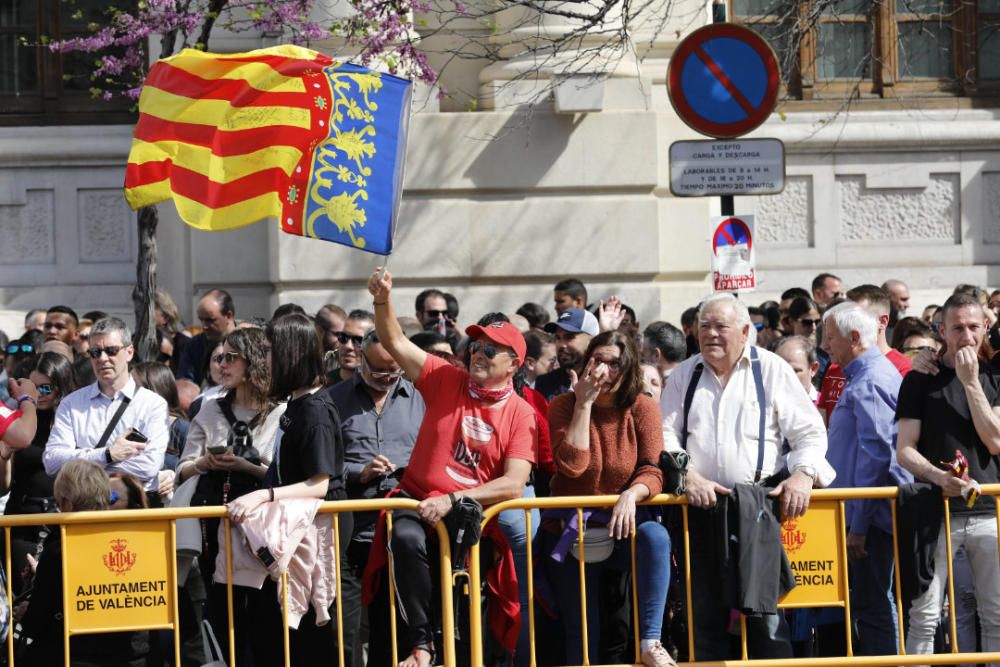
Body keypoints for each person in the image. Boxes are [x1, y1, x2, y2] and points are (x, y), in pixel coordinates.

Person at [365, 268, 536, 667]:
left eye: (491, 349)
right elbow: (393, 340)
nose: (478, 353)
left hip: (468, 519)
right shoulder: (446, 378)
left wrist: (452, 499)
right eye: (475, 344)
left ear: (514, 363)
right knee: (405, 539)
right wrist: (381, 298)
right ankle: (421, 647)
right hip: (413, 502)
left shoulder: (520, 413)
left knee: (464, 609)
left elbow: (513, 484)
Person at [661, 294, 833, 660]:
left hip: (757, 510)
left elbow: (810, 433)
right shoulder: (684, 374)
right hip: (700, 511)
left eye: (720, 326)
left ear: (744, 331)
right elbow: (665, 435)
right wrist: (688, 475)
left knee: (765, 620)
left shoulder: (770, 369)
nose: (711, 334)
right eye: (704, 326)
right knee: (704, 618)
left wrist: (803, 474)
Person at [543, 330, 673, 667]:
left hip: (622, 524)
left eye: (614, 364)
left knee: (655, 537)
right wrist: (583, 403)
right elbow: (572, 467)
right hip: (571, 527)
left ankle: (651, 641)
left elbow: (652, 468)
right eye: (597, 361)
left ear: (628, 368)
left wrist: (633, 493)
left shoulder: (642, 406)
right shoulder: (562, 405)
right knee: (582, 633)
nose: (603, 370)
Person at [226, 313, 345, 665]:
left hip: (310, 535)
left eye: (269, 351)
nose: (264, 360)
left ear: (291, 353)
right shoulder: (297, 404)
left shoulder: (316, 412)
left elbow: (320, 484)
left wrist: (263, 494)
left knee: (304, 636)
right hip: (289, 532)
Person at [896, 292, 1000, 661]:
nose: (967, 336)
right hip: (934, 512)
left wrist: (971, 382)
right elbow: (905, 449)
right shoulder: (920, 378)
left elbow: (996, 440)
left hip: (989, 510)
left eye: (974, 327)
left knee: (995, 616)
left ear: (986, 327)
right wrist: (937, 477)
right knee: (924, 616)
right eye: (957, 328)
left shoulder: (995, 375)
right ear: (941, 330)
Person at [177, 327, 286, 665]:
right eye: (219, 358)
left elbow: (287, 478)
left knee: (267, 619)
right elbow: (182, 470)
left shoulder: (283, 410)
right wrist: (204, 463)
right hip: (217, 530)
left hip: (265, 532)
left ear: (253, 362)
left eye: (230, 358)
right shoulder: (209, 409)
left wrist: (247, 466)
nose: (221, 365)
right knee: (225, 616)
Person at [327, 329, 425, 667]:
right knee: (346, 632)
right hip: (354, 532)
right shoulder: (334, 399)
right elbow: (321, 469)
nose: (385, 378)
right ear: (360, 359)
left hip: (402, 531)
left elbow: (433, 460)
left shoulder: (420, 398)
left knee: (394, 630)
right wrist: (360, 473)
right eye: (377, 370)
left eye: (393, 370)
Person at [821, 302, 911, 656]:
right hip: (866, 516)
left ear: (854, 337)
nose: (826, 346)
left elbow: (877, 458)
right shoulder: (867, 375)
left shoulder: (871, 381)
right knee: (871, 605)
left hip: (869, 521)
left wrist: (858, 525)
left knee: (874, 606)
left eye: (830, 338)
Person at [19, 459, 151, 666]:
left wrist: (26, 611)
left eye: (57, 503)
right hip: (132, 656)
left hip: (73, 657)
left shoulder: (58, 549)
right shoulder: (137, 544)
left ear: (68, 504)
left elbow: (36, 624)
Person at [43, 317, 169, 492]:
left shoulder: (153, 404)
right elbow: (52, 461)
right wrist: (108, 454)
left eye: (111, 351)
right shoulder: (71, 404)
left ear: (129, 352)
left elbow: (149, 466)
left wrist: (81, 462)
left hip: (134, 509)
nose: (102, 358)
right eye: (95, 352)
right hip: (85, 506)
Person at [1, 353, 74, 594]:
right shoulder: (17, 421)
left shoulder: (72, 420)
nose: (39, 395)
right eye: (32, 388)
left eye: (46, 387)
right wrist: (4, 455)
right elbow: (4, 486)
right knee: (21, 595)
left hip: (64, 520)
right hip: (22, 520)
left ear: (61, 386)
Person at [131, 361, 188, 501]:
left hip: (171, 512)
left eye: (135, 387)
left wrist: (174, 480)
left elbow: (197, 472)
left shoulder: (181, 429)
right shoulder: (124, 426)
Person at [535, 308, 600, 400]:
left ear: (591, 341)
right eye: (558, 337)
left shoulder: (602, 382)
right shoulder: (543, 382)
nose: (561, 344)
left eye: (569, 337)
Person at [176, 288, 237, 385]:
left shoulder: (247, 341)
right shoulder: (193, 346)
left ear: (228, 316)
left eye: (210, 320)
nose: (204, 326)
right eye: (201, 320)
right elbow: (185, 384)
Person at [773, 336, 819, 404]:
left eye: (795, 371)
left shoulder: (826, 406)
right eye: (780, 370)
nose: (786, 377)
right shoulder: (766, 406)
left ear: (813, 369)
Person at [334, 310, 376, 384]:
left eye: (358, 340)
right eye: (343, 337)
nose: (348, 346)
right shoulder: (323, 385)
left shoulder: (384, 388)